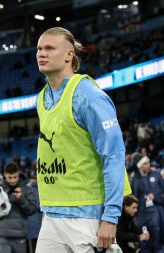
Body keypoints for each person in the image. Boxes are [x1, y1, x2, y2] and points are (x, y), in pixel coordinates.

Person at [35, 27, 131, 253]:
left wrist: (110, 217)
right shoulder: (41, 98)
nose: (42, 53)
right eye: (39, 48)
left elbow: (114, 155)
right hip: (53, 215)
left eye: (49, 48)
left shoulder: (88, 95)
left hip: (88, 214)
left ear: (69, 54)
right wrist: (48, 212)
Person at [0, 162, 38, 253]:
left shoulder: (27, 189)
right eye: (10, 177)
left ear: (18, 174)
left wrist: (20, 199)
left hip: (19, 234)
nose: (12, 180)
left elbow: (32, 210)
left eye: (15, 177)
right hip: (3, 234)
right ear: (5, 175)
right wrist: (9, 199)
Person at [130, 153, 164, 253]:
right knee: (144, 245)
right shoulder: (135, 178)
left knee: (157, 245)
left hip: (155, 214)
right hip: (141, 215)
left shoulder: (156, 175)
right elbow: (133, 197)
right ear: (139, 166)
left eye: (149, 163)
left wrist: (155, 197)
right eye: (145, 164)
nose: (148, 165)